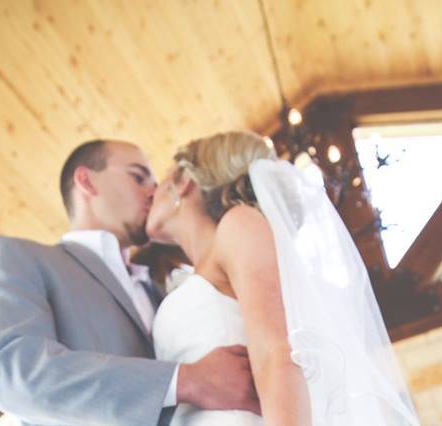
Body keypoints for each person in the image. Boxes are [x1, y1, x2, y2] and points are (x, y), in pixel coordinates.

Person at [0, 140, 260, 426]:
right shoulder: (18, 257)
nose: (154, 191)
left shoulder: (162, 291)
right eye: (138, 177)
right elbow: (16, 375)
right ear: (86, 182)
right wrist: (186, 380)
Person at [146, 131, 420, 425]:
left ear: (184, 180)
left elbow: (277, 353)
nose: (151, 192)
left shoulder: (240, 224)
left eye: (159, 180)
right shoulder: (197, 269)